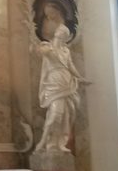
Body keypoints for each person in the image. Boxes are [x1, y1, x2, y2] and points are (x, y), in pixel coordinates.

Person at [34, 9, 88, 153]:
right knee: (54, 115)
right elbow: (40, 51)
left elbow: (71, 67)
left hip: (67, 81)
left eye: (63, 35)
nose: (61, 35)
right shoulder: (47, 47)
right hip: (54, 82)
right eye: (59, 33)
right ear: (56, 34)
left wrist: (80, 78)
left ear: (65, 37)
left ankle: (59, 143)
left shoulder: (66, 51)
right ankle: (43, 142)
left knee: (66, 114)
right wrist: (44, 50)